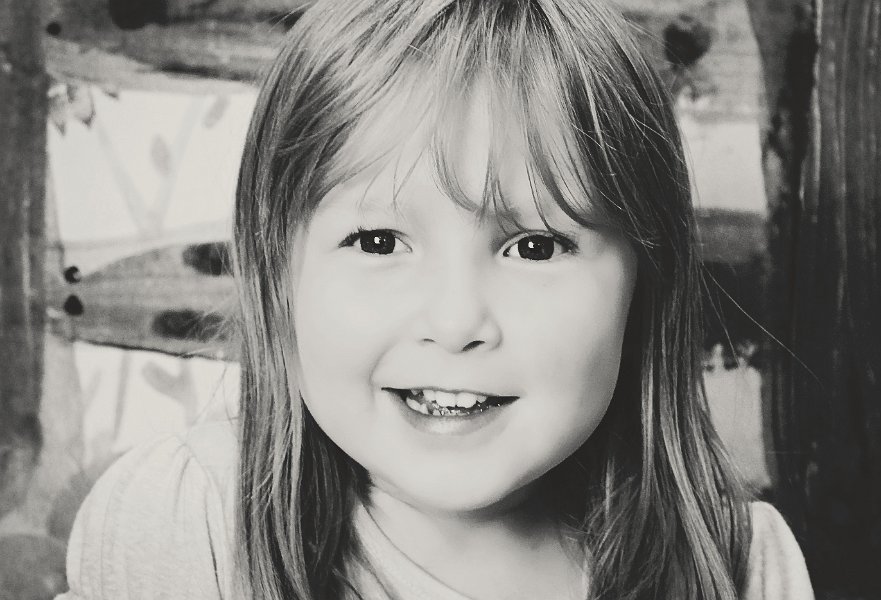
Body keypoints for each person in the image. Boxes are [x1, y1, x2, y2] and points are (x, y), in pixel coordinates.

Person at [57, 1, 815, 598]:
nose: (454, 324)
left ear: (645, 282)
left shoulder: (740, 569)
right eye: (378, 242)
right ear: (278, 274)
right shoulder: (187, 524)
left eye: (535, 247)